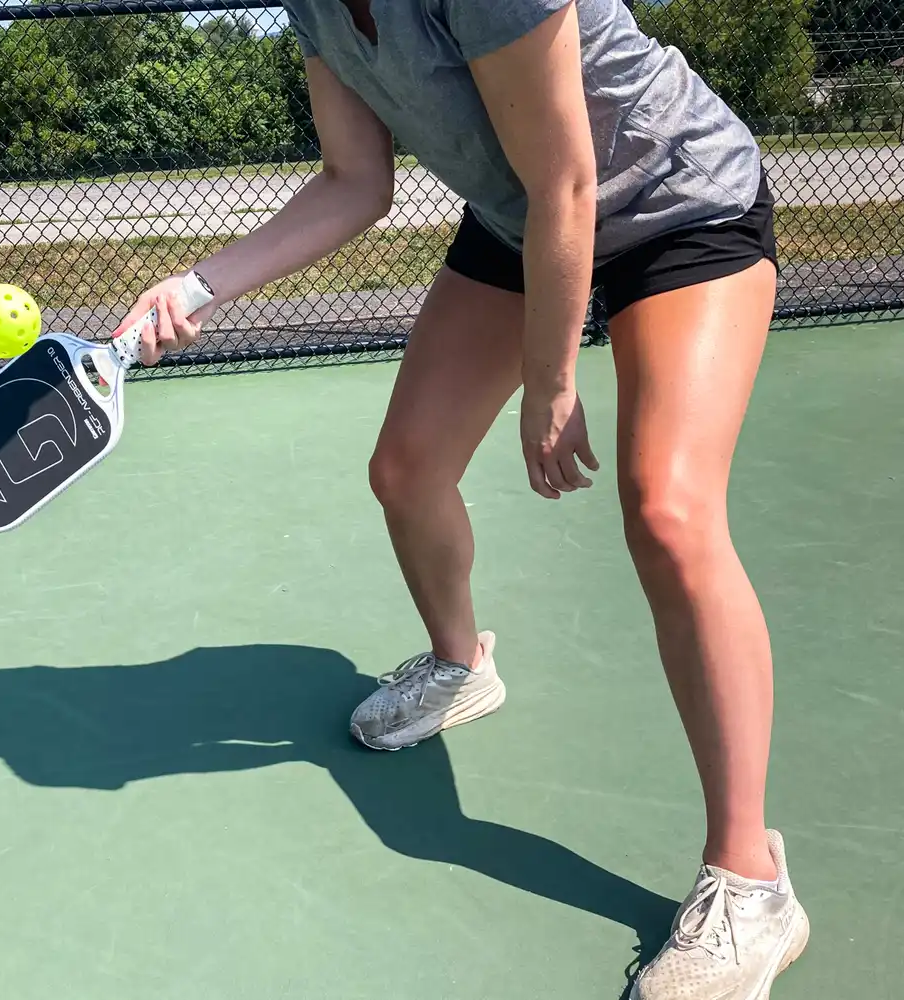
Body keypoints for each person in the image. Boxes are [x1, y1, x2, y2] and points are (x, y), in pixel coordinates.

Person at [109, 1, 807, 996]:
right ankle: (459, 663)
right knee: (405, 469)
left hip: (674, 203)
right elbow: (355, 182)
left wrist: (551, 377)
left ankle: (753, 878)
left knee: (668, 509)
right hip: (526, 219)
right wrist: (195, 285)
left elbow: (572, 175)